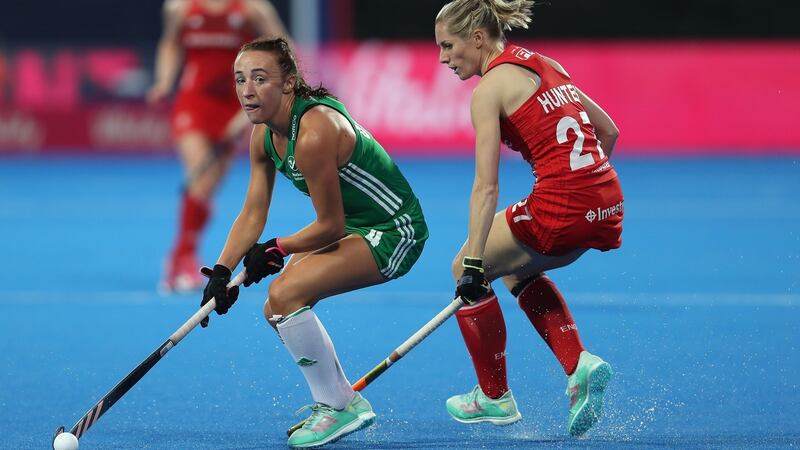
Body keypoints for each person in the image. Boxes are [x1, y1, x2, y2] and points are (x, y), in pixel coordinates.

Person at [199, 37, 429, 448]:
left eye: (259, 78)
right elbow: (253, 211)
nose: (247, 90)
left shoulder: (314, 131)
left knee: (285, 291)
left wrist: (278, 247)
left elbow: (331, 225)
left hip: (395, 231)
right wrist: (221, 270)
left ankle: (337, 407)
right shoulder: (263, 135)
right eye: (239, 79)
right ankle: (341, 400)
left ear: (288, 84)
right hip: (357, 226)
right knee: (276, 311)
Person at [434, 0, 623, 437]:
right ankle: (579, 366)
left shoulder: (488, 91)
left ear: (477, 39)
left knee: (465, 265)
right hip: (608, 201)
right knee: (516, 270)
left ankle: (494, 397)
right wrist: (586, 192)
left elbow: (486, 187)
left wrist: (474, 266)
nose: (442, 58)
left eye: (448, 45)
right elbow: (608, 131)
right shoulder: (545, 63)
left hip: (561, 209)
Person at [147, 0, 290, 293]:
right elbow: (170, 44)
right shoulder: (180, 8)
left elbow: (284, 53)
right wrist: (164, 80)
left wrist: (258, 104)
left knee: (208, 187)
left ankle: (182, 253)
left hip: (237, 104)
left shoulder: (253, 9)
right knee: (202, 177)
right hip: (194, 102)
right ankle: (181, 258)